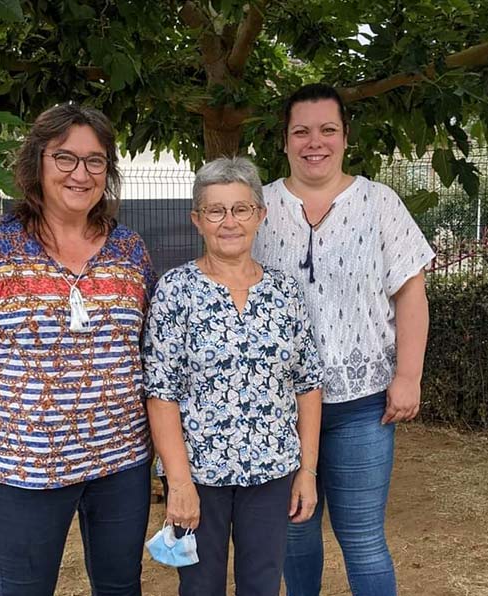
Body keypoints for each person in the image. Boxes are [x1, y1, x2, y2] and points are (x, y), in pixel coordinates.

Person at [0, 103, 157, 596]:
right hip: (24, 468)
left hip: (122, 462)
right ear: (37, 163)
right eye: (65, 158)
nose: (81, 173)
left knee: (122, 585)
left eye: (95, 161)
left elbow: (146, 353)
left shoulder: (130, 250)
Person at [253, 83, 435, 596]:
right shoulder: (258, 209)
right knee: (295, 531)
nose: (316, 142)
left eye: (328, 129)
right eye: (302, 131)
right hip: (279, 407)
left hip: (362, 405)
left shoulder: (380, 203)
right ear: (285, 140)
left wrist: (408, 376)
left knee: (362, 538)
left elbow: (411, 295)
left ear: (345, 136)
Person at [143, 157, 324, 596]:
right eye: (216, 210)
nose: (230, 222)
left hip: (273, 469)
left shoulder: (285, 291)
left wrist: (307, 472)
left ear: (260, 215)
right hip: (199, 474)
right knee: (201, 587)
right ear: (197, 220)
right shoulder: (175, 290)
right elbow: (160, 392)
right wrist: (179, 483)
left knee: (262, 585)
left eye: (241, 209)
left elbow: (308, 383)